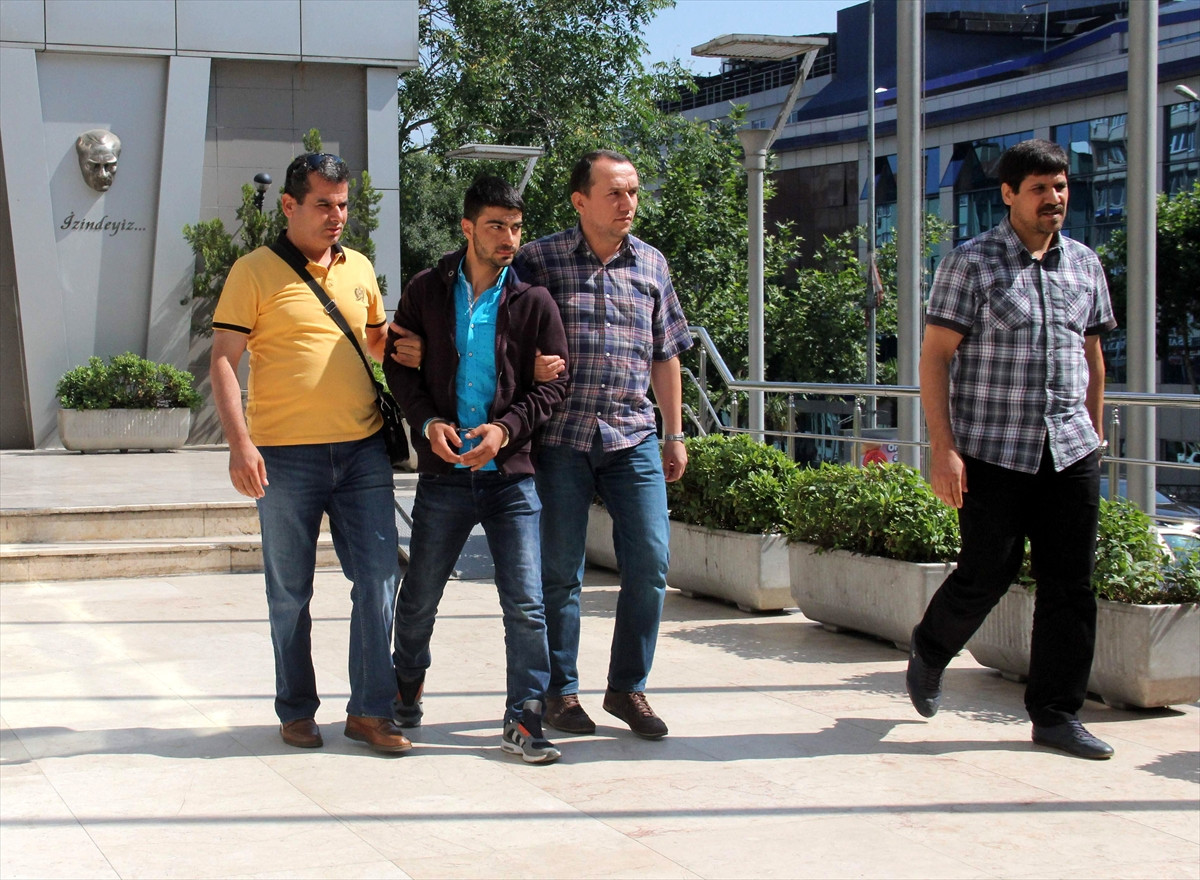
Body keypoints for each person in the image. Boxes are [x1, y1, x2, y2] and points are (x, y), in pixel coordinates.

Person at [907, 138, 1117, 759]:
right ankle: (931, 647)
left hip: (1070, 448)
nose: (1054, 199)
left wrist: (1094, 433)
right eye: (1039, 189)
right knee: (986, 572)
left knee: (1071, 585)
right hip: (993, 449)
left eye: (1061, 187)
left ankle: (1055, 715)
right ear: (1008, 194)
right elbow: (935, 359)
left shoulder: (1085, 265)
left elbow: (1093, 355)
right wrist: (942, 449)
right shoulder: (971, 263)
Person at [210, 152, 411, 755]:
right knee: (290, 590)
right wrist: (239, 444)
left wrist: (411, 349)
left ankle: (370, 711)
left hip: (362, 452)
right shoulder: (253, 271)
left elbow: (374, 343)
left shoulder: (360, 267)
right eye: (323, 204)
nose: (336, 216)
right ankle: (296, 709)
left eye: (343, 204)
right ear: (289, 205)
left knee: (379, 576)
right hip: (284, 457)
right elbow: (223, 360)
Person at [383, 175, 570, 764]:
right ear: (467, 228)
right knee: (419, 597)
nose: (509, 238)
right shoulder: (426, 290)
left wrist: (505, 431)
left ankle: (524, 719)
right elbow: (398, 365)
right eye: (496, 226)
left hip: (511, 478)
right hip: (443, 478)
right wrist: (427, 424)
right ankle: (406, 684)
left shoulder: (534, 300)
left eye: (515, 227)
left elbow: (555, 385)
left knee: (527, 604)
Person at [515, 150, 692, 740]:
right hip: (559, 437)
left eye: (633, 192)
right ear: (580, 200)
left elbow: (666, 354)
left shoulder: (652, 264)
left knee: (651, 562)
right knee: (559, 572)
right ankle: (559, 693)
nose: (627, 203)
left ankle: (627, 687)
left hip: (632, 435)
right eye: (615, 192)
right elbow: (506, 336)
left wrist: (674, 433)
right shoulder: (539, 259)